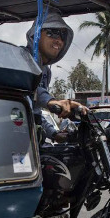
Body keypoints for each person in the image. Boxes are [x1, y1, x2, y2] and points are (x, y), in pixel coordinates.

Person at [24, 11, 88, 140]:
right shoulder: (22, 58)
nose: (58, 40)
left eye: (63, 36)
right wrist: (52, 101)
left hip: (34, 141)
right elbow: (30, 87)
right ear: (35, 34)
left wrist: (54, 134)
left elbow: (34, 111)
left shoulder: (46, 71)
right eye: (52, 32)